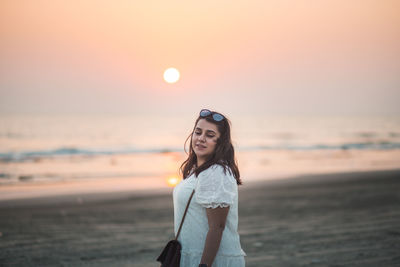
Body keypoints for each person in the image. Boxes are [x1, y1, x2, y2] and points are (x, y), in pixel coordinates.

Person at [173, 109, 246, 267]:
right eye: (198, 132)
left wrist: (204, 265)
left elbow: (217, 227)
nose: (201, 139)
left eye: (210, 135)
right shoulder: (198, 170)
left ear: (220, 142)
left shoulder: (216, 172)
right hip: (192, 256)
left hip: (210, 261)